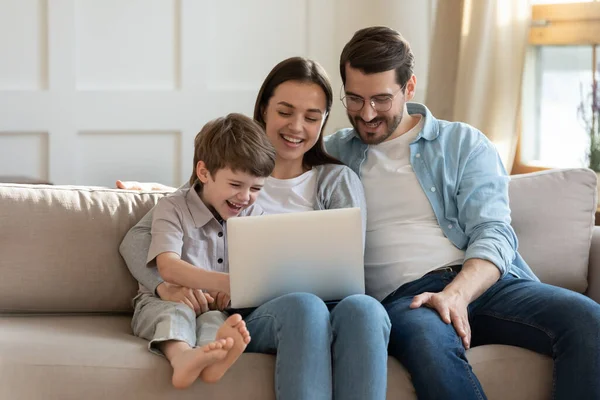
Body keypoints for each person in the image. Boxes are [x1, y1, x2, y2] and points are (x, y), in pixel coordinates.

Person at [322, 26, 600, 399]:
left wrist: (456, 294)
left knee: (588, 321)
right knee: (429, 346)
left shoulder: (462, 143)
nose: (366, 114)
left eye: (381, 99)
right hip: (407, 301)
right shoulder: (330, 154)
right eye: (354, 99)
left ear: (409, 88)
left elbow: (494, 232)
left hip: (485, 284)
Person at [119, 57, 391, 400]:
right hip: (260, 312)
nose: (296, 127)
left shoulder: (336, 181)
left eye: (311, 118)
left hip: (330, 305)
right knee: (304, 307)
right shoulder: (229, 171)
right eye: (285, 111)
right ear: (263, 109)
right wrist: (166, 288)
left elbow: (348, 264)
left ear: (323, 123)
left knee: (366, 309)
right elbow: (140, 239)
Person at [129, 113, 274, 389]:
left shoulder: (255, 216)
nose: (245, 197)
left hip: (210, 308)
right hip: (161, 303)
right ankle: (182, 357)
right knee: (176, 313)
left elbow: (256, 271)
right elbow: (168, 267)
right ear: (204, 173)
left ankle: (212, 359)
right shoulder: (172, 207)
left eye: (256, 188)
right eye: (235, 184)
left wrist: (231, 295)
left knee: (217, 321)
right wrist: (226, 282)